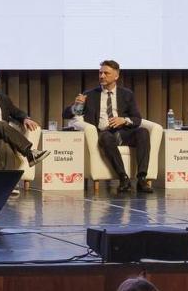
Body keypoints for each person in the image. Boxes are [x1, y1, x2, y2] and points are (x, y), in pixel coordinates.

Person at [64, 60, 153, 194]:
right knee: (106, 137)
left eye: (106, 73)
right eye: (100, 73)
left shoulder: (126, 94)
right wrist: (76, 105)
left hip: (123, 132)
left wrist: (123, 120)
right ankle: (123, 178)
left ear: (116, 76)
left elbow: (137, 118)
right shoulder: (90, 94)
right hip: (103, 133)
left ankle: (142, 178)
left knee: (143, 132)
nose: (102, 76)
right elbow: (66, 114)